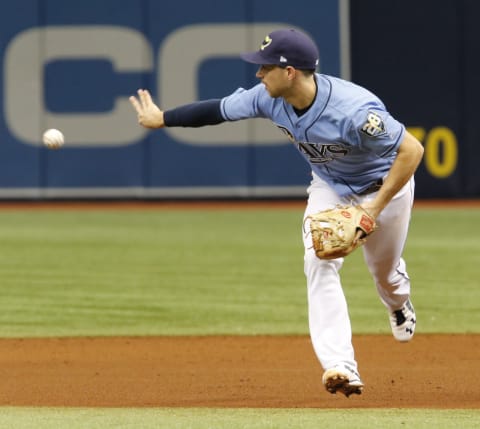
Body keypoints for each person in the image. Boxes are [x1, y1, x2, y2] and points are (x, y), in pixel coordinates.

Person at [129, 28, 424, 397]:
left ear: (290, 73)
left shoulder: (353, 110)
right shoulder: (268, 98)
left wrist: (371, 209)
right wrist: (164, 118)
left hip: (384, 189)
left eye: (265, 67)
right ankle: (340, 365)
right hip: (329, 187)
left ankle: (398, 302)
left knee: (383, 272)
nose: (257, 74)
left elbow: (412, 151)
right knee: (318, 260)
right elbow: (218, 110)